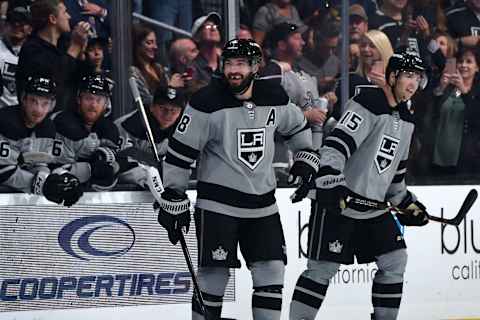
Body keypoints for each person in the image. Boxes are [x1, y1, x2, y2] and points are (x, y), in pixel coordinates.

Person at [155, 38, 320, 320]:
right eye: (229, 63)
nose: (234, 70)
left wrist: (305, 156)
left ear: (255, 67)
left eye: (241, 64)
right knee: (213, 275)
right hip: (218, 205)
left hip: (263, 206)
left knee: (272, 269)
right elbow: (180, 152)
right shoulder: (206, 102)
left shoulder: (274, 96)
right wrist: (173, 193)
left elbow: (297, 126)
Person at [289, 52, 430, 320]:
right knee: (321, 270)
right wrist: (330, 179)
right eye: (408, 76)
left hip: (372, 209)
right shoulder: (369, 102)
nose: (413, 83)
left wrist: (406, 202)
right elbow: (337, 145)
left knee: (395, 259)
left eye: (417, 78)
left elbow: (394, 176)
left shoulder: (407, 121)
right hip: (338, 202)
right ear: (392, 76)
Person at [0, 75, 83, 206]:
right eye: (34, 101)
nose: (38, 109)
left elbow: (38, 163)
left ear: (53, 105)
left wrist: (60, 177)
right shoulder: (4, 123)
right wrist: (42, 185)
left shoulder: (47, 128)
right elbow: (2, 171)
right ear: (23, 99)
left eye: (45, 103)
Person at [16, 0, 91, 111]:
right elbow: (56, 77)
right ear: (53, 19)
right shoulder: (31, 49)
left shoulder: (64, 45)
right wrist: (75, 47)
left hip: (67, 115)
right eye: (65, 12)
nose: (69, 17)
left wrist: (81, 52)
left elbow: (84, 80)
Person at [52, 72, 121, 191]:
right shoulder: (62, 121)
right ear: (79, 99)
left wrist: (102, 159)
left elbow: (108, 164)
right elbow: (57, 168)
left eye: (99, 100)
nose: (93, 105)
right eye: (88, 98)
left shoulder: (110, 128)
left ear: (106, 104)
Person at [431, 47, 480, 177]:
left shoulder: (477, 91)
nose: (463, 65)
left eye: (469, 62)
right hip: (439, 155)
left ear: (477, 68)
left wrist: (465, 92)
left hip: (467, 158)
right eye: (460, 61)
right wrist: (441, 88)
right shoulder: (448, 87)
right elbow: (430, 113)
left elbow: (476, 119)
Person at [130, 23, 184, 107]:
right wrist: (170, 88)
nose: (155, 47)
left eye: (155, 42)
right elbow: (145, 100)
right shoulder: (133, 71)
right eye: (149, 43)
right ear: (137, 45)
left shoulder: (158, 68)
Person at [0, 1, 31, 108]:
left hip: (20, 115)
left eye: (22, 22)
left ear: (30, 29)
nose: (17, 25)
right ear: (4, 25)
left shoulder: (33, 55)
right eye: (13, 21)